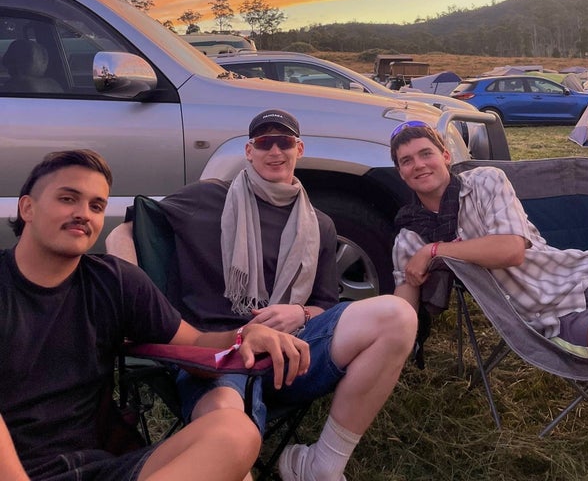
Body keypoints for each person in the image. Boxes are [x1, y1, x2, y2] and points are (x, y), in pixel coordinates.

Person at [1, 149, 310, 481]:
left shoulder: (113, 281)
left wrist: (244, 335)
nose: (83, 214)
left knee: (236, 432)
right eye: (67, 199)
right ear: (27, 207)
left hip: (100, 467)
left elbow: (194, 343)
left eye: (96, 206)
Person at [156, 109, 417, 481]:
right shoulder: (207, 196)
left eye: (284, 142)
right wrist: (142, 312)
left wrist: (301, 314)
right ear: (249, 151)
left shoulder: (319, 224)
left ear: (299, 149)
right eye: (265, 142)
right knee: (226, 433)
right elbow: (129, 229)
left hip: (292, 351)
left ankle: (321, 466)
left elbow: (325, 304)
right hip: (218, 354)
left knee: (398, 314)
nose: (275, 151)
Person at [390, 121, 588, 360]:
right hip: (554, 316)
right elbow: (402, 311)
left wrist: (434, 250)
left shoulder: (485, 181)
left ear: (446, 156)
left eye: (426, 153)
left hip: (582, 272)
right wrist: (386, 340)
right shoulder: (410, 238)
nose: (419, 165)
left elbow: (511, 250)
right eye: (407, 160)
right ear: (401, 173)